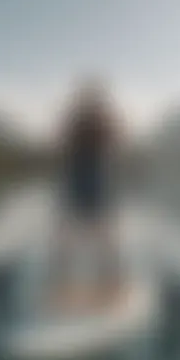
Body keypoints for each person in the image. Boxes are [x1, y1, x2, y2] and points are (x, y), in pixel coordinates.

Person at [51, 77, 124, 309]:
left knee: (93, 233)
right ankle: (74, 287)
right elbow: (114, 141)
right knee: (77, 233)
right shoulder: (88, 118)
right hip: (84, 175)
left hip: (88, 175)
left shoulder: (88, 118)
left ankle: (107, 285)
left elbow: (64, 141)